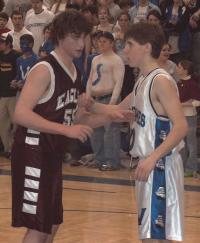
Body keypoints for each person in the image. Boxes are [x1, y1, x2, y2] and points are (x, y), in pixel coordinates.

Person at [11, 10, 131, 243]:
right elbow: (21, 113)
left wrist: (111, 116)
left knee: (53, 221)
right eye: (75, 37)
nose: (82, 43)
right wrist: (66, 130)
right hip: (32, 151)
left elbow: (76, 119)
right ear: (59, 36)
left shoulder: (75, 71)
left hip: (52, 153)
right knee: (39, 226)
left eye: (84, 37)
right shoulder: (44, 69)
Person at [88, 22, 188, 242]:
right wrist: (87, 105)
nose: (125, 50)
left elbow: (181, 126)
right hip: (148, 164)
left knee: (155, 237)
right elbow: (116, 110)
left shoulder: (160, 80)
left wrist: (153, 157)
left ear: (146, 47)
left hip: (160, 164)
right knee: (151, 236)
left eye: (129, 45)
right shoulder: (141, 80)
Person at [86, 31, 125, 170]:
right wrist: (88, 96)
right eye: (99, 41)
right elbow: (90, 79)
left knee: (111, 131)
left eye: (104, 41)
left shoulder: (116, 60)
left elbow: (118, 83)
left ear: (111, 43)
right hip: (95, 99)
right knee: (96, 129)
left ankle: (112, 161)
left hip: (109, 98)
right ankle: (98, 158)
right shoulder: (95, 59)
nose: (100, 44)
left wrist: (112, 103)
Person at [176, 59, 200, 177]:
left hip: (190, 117)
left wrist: (182, 104)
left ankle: (191, 168)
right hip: (180, 116)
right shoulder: (179, 82)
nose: (177, 69)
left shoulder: (192, 84)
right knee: (181, 143)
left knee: (191, 143)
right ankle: (182, 166)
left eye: (179, 67)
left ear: (185, 70)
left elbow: (197, 101)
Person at [0, 33, 20, 158]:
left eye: (1, 42)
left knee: (16, 123)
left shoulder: (16, 56)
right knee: (2, 122)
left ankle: (16, 148)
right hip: (3, 94)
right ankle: (8, 148)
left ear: (8, 43)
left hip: (14, 95)